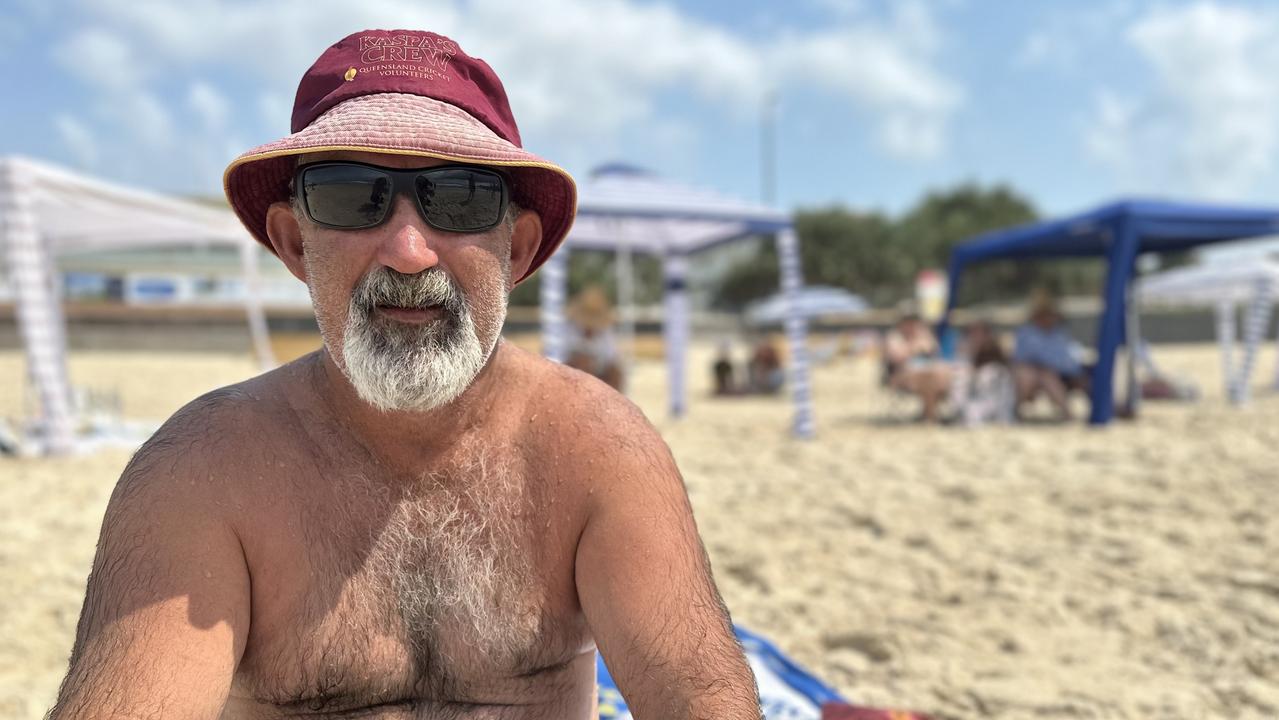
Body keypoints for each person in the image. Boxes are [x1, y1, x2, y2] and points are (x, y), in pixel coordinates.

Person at [48, 30, 760, 720]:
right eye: (352, 195)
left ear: (515, 248)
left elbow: (697, 695)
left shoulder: (597, 450)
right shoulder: (204, 472)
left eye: (460, 197)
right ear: (295, 243)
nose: (409, 251)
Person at [1012, 295, 1089, 420]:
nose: (1050, 318)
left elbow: (1071, 357)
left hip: (1065, 373)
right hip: (1037, 374)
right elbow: (1022, 358)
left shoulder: (1060, 334)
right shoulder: (1027, 334)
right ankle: (1067, 412)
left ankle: (1112, 407)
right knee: (1042, 376)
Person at [883, 314, 952, 422]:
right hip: (900, 378)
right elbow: (896, 358)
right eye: (908, 322)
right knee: (929, 377)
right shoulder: (895, 337)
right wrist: (914, 347)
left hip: (927, 376)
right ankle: (930, 416)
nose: (911, 325)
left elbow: (935, 352)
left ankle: (929, 414)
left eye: (914, 322)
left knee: (940, 375)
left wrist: (925, 339)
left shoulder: (924, 335)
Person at [948, 321, 1016, 426]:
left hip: (994, 393)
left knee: (992, 373)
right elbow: (959, 366)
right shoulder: (964, 347)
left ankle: (1002, 416)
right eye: (973, 332)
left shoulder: (994, 348)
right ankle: (963, 415)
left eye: (980, 332)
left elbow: (1005, 365)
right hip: (971, 394)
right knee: (960, 378)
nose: (977, 336)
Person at [565, 285, 624, 390]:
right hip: (571, 371)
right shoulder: (570, 328)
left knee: (616, 372)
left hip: (599, 373)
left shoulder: (606, 332)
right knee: (583, 362)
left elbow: (611, 358)